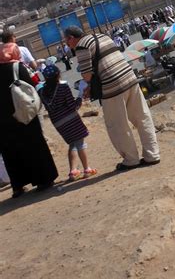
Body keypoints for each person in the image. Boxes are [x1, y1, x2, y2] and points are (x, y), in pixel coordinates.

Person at [63, 26, 160, 171]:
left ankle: (131, 159)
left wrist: (88, 86)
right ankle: (152, 155)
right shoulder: (103, 37)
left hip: (113, 87)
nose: (67, 45)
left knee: (118, 125)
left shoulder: (81, 46)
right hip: (130, 78)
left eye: (66, 41)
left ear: (71, 37)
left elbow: (87, 75)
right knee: (142, 117)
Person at [0, 43, 58, 198]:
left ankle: (18, 186)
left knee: (11, 151)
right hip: (23, 114)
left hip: (3, 120)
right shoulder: (17, 67)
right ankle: (43, 180)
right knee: (34, 145)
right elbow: (32, 86)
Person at [39, 64, 97, 181]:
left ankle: (73, 171)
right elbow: (73, 106)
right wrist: (80, 95)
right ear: (58, 75)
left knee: (72, 144)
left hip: (58, 124)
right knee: (80, 144)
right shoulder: (63, 88)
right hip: (71, 120)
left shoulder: (41, 92)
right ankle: (87, 169)